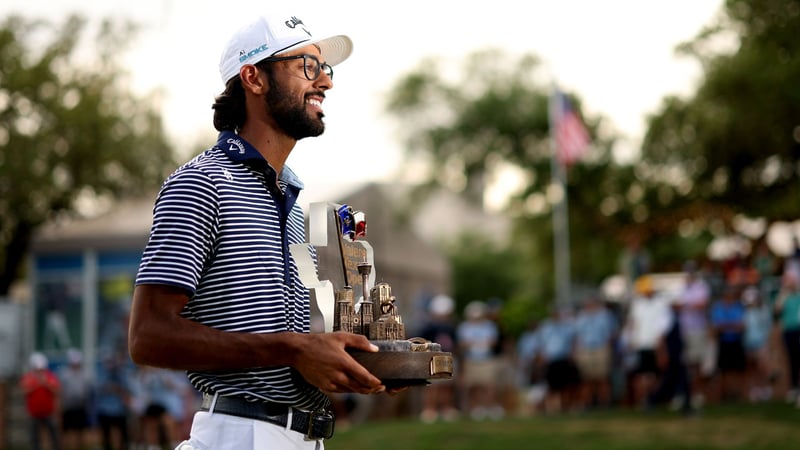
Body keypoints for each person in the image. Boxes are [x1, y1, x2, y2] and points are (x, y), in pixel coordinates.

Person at [128, 12, 389, 450]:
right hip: (242, 434)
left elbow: (282, 344)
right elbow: (148, 336)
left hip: (300, 435)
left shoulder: (291, 200)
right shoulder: (201, 183)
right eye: (307, 66)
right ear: (254, 78)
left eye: (324, 68)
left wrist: (356, 366)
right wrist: (291, 349)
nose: (325, 81)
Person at [456, 301, 502, 420]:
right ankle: (477, 408)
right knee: (474, 385)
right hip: (471, 359)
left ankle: (490, 406)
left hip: (486, 358)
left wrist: (475, 343)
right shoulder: (464, 327)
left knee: (489, 385)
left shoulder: (489, 326)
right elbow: (462, 343)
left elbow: (493, 341)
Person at [417, 294, 459, 423]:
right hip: (431, 360)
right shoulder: (428, 328)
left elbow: (456, 345)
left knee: (446, 387)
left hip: (447, 359)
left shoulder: (451, 328)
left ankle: (446, 409)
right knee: (432, 387)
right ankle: (429, 410)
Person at [19, 352, 62, 450]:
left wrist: (45, 383)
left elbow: (57, 390)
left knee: (54, 435)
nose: (40, 371)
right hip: (33, 414)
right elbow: (24, 390)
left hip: (48, 412)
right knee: (34, 438)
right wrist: (37, 383)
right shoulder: (28, 377)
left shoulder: (50, 376)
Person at [58, 348, 93, 450]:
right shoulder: (64, 374)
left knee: (80, 432)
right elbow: (61, 392)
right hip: (68, 407)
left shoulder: (85, 375)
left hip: (80, 407)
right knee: (66, 432)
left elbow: (87, 393)